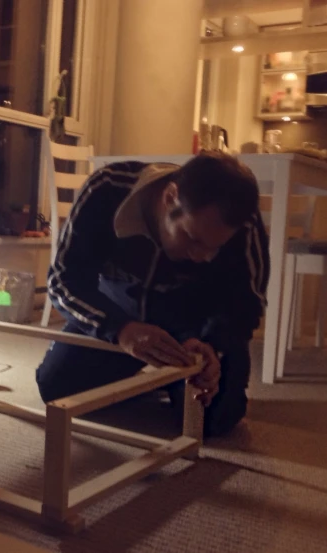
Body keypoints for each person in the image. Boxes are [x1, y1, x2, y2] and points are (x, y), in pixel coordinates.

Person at [37, 151, 269, 437]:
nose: (203, 257)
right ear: (170, 197)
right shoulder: (108, 188)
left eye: (215, 248)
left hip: (192, 329)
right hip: (119, 314)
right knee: (56, 388)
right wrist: (120, 329)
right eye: (192, 238)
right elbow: (63, 279)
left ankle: (166, 380)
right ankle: (155, 376)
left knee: (210, 420)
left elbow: (246, 303)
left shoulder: (241, 220)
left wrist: (213, 345)